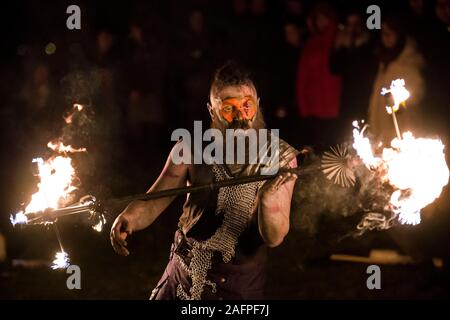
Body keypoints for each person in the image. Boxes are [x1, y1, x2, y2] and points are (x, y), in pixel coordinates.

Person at [110, 62, 299, 300]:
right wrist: (129, 217)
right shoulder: (189, 148)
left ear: (258, 105)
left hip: (238, 286)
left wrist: (268, 199)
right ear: (212, 111)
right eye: (229, 109)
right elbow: (155, 199)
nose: (240, 116)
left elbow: (274, 237)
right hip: (183, 276)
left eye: (247, 105)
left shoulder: (281, 157)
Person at [367, 15, 425, 144]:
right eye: (383, 33)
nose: (386, 37)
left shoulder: (410, 61)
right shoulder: (385, 60)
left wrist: (399, 104)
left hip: (402, 129)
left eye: (390, 33)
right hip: (382, 127)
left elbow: (416, 94)